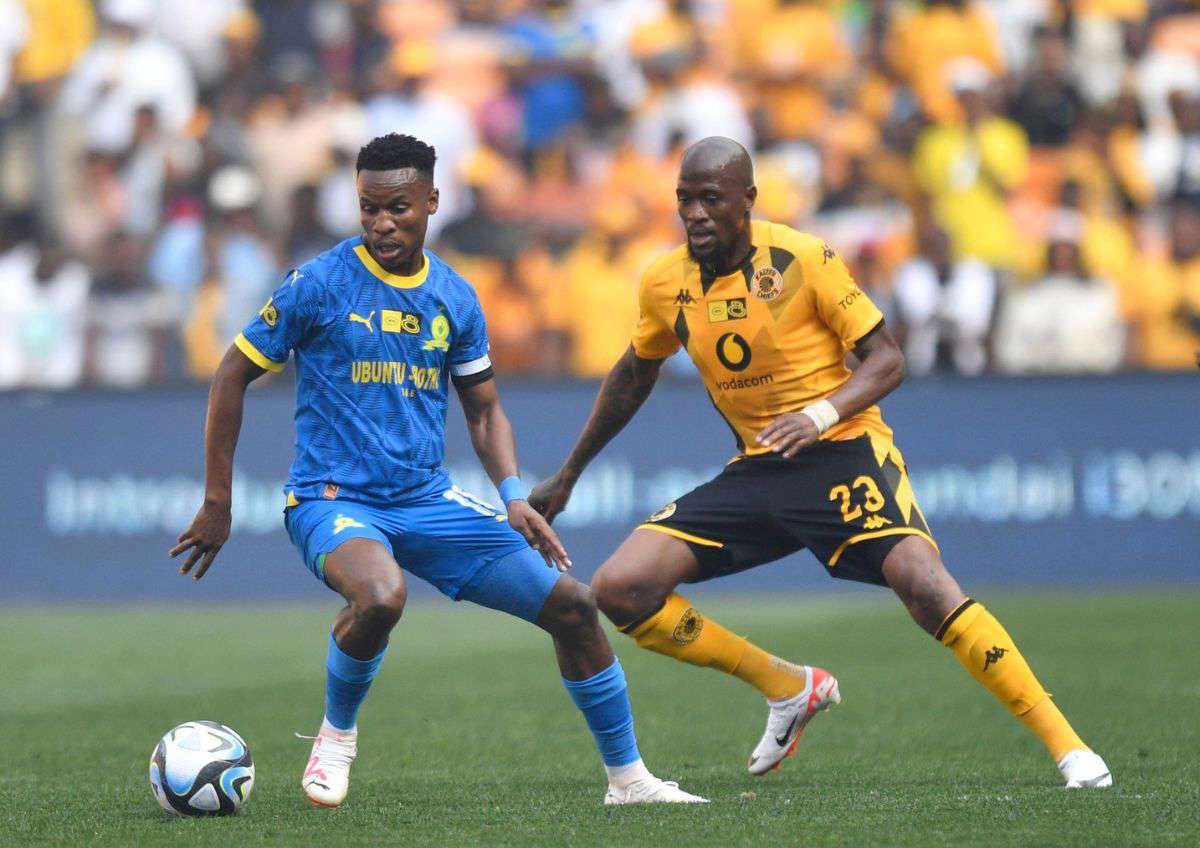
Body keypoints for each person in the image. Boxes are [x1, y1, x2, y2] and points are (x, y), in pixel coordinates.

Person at [530, 136, 1112, 789]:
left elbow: (887, 359)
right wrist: (570, 472)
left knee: (924, 585)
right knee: (620, 587)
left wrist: (820, 415)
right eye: (684, 199)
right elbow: (635, 372)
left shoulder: (805, 258)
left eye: (710, 199)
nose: (694, 213)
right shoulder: (665, 281)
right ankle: (787, 687)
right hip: (761, 465)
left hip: (842, 450)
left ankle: (1071, 748)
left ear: (748, 200)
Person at [169, 134, 704, 808]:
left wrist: (513, 495)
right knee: (380, 597)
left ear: (431, 202)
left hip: (427, 500)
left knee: (574, 607)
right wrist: (217, 500)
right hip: (332, 498)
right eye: (368, 208)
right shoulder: (318, 284)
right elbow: (231, 374)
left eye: (397, 208)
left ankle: (629, 781)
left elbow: (484, 410)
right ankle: (336, 735)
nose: (381, 223)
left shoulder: (454, 295)